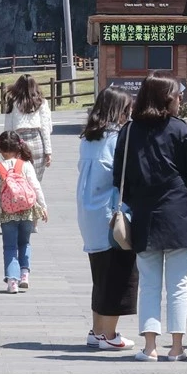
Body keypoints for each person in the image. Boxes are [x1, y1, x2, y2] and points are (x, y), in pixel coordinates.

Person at [113, 74, 187, 362]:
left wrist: (136, 201)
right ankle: (177, 347)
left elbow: (119, 176)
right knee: (178, 285)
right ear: (166, 97)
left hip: (144, 215)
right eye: (177, 94)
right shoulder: (180, 129)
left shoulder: (128, 131)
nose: (181, 99)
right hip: (179, 214)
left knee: (149, 283)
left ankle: (150, 347)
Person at [77, 87, 138, 351]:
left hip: (88, 214)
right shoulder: (119, 139)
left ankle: (97, 331)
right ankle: (109, 334)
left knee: (100, 275)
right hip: (111, 215)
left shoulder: (88, 137)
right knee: (118, 275)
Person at [0, 131, 47, 293]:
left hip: (7, 212)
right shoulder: (25, 165)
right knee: (24, 242)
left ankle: (12, 280)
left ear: (0, 150)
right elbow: (36, 186)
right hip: (27, 211)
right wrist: (43, 206)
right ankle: (24, 273)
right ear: (19, 147)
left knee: (10, 246)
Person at [4, 74, 53, 180]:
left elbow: (8, 127)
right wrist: (48, 151)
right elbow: (45, 127)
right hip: (36, 140)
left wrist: (6, 147)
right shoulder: (41, 102)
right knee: (35, 180)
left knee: (19, 178)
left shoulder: (13, 102)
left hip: (18, 141)